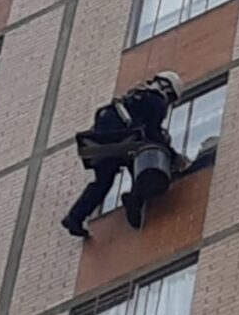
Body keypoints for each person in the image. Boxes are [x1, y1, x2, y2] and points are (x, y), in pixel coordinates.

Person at [62, 71, 183, 239]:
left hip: (102, 141)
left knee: (103, 182)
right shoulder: (156, 100)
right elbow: (152, 132)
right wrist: (172, 154)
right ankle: (134, 199)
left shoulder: (135, 96)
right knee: (145, 169)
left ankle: (75, 217)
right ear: (169, 91)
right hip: (124, 138)